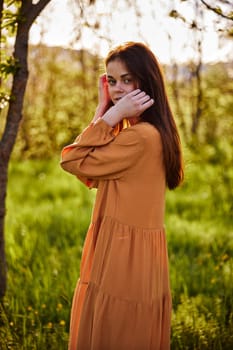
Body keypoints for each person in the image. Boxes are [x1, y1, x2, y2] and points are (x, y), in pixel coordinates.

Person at [60, 41, 184, 350]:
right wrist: (105, 113)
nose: (117, 89)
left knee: (116, 332)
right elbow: (89, 170)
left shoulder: (137, 138)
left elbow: (72, 161)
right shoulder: (146, 133)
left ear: (146, 80)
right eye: (111, 81)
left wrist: (107, 116)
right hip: (132, 252)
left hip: (123, 255)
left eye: (127, 79)